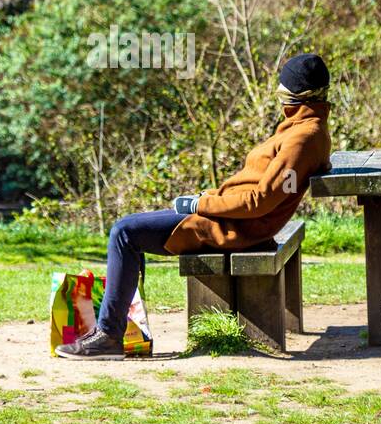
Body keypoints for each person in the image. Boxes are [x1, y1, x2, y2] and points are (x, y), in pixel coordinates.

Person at [55, 53, 334, 359]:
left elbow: (260, 201)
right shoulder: (307, 129)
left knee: (124, 232)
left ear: (291, 95)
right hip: (230, 219)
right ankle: (114, 329)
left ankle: (109, 336)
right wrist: (206, 199)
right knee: (131, 227)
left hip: (231, 227)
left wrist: (203, 203)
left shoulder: (302, 138)